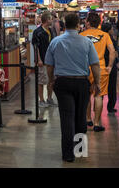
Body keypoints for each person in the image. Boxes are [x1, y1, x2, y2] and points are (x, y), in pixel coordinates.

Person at [45, 13, 101, 162]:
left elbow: (49, 65)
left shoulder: (55, 42)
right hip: (82, 83)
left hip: (62, 83)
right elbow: (95, 64)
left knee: (66, 118)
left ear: (64, 24)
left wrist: (51, 80)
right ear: (78, 25)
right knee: (81, 116)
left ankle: (68, 154)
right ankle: (80, 149)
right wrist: (97, 82)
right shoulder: (86, 42)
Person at [80, 12, 115, 132]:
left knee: (87, 95)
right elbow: (112, 51)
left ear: (88, 22)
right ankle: (96, 124)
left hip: (85, 69)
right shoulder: (105, 35)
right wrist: (110, 66)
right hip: (101, 69)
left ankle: (88, 119)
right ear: (99, 23)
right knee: (98, 95)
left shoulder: (82, 35)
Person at [32, 11, 57, 108]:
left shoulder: (51, 31)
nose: (52, 20)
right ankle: (41, 100)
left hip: (51, 60)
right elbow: (36, 47)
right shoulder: (37, 32)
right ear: (46, 20)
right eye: (51, 18)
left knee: (51, 80)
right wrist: (38, 59)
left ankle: (49, 98)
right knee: (41, 81)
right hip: (42, 59)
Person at [101, 22, 119, 114]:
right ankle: (110, 107)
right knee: (111, 87)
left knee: (101, 88)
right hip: (111, 65)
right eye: (112, 28)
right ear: (108, 30)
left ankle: (98, 107)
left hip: (102, 64)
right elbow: (114, 52)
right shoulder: (111, 39)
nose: (113, 30)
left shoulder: (100, 38)